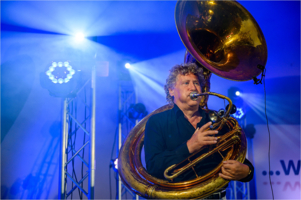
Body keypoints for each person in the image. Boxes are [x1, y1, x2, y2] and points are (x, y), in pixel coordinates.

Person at [144, 63, 254, 199]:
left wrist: (246, 171)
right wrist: (189, 146)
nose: (193, 87)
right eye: (186, 83)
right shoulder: (157, 121)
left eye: (196, 83)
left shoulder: (217, 119)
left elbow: (240, 158)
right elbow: (153, 167)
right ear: (171, 90)